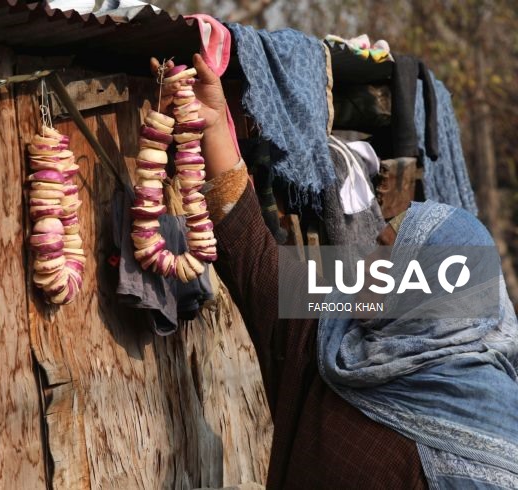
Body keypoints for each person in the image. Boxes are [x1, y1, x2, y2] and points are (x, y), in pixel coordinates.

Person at [151, 54, 518, 489]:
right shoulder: (333, 338)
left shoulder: (497, 443)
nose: (365, 263)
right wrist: (212, 127)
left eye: (388, 259)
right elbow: (255, 256)